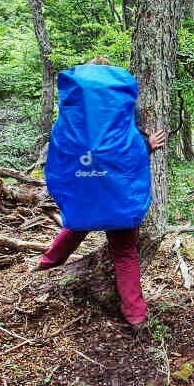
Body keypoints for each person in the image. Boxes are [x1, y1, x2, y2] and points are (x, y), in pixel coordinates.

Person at [32, 56, 165, 332]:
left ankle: (45, 267)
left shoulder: (74, 116)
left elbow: (62, 154)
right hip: (117, 192)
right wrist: (147, 145)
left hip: (83, 185)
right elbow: (125, 152)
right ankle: (136, 315)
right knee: (125, 252)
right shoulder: (121, 110)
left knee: (78, 222)